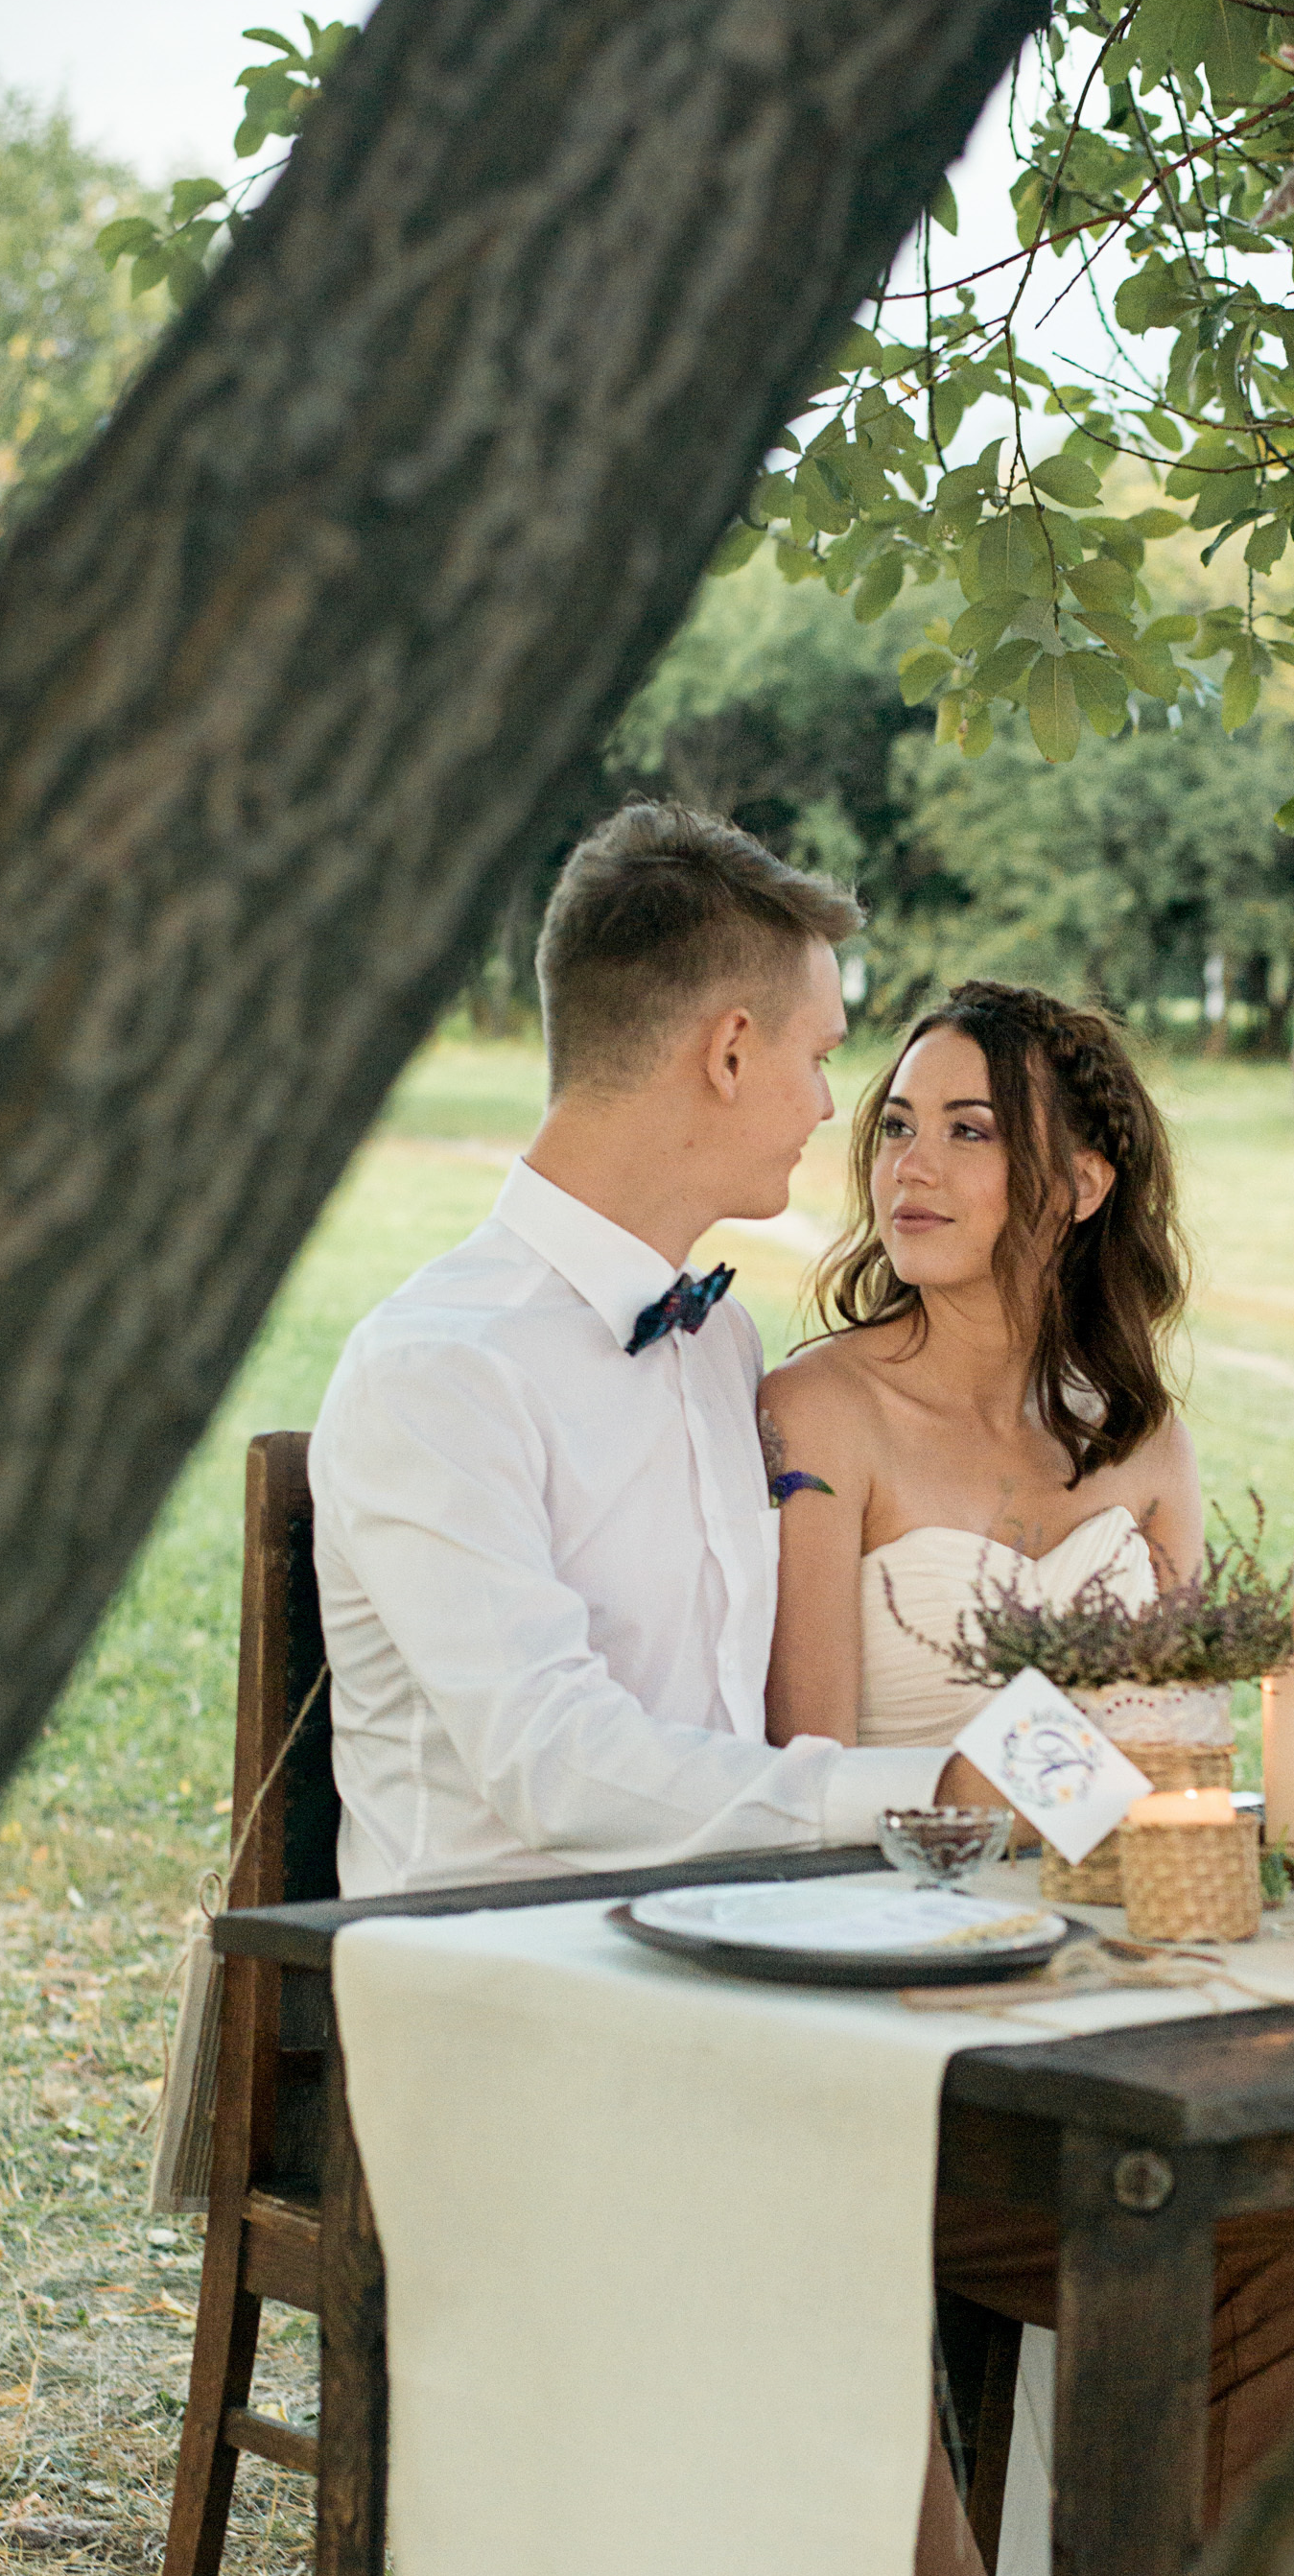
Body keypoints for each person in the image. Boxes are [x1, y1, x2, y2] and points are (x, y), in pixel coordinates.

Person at [762, 983, 1294, 2576]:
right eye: (896, 1122)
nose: (914, 1164)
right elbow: (788, 1769)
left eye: (973, 1129)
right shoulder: (817, 1409)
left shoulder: (1148, 1438)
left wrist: (1270, 1763)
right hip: (856, 2015)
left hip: (1090, 2005)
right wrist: (1056, 1732)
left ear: (1084, 1176)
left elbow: (1210, 1779)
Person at [309, 800, 960, 1894]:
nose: (826, 1104)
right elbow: (555, 1769)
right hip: (496, 1991)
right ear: (732, 1050)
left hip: (724, 1948)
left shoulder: (720, 1343)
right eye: (817, 1055)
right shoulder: (437, 1371)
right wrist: (926, 1794)